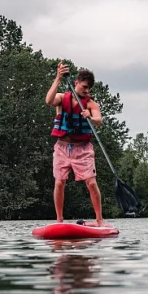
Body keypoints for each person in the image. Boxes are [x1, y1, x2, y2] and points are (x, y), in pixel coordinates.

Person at [45, 61, 104, 224]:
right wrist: (57, 78)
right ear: (76, 83)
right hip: (62, 148)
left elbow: (99, 120)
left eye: (88, 89)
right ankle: (59, 220)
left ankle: (99, 220)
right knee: (59, 182)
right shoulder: (62, 98)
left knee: (91, 182)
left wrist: (90, 117)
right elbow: (49, 100)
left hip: (83, 149)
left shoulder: (91, 104)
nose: (86, 91)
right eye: (84, 87)